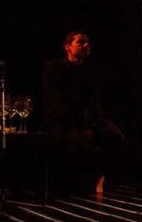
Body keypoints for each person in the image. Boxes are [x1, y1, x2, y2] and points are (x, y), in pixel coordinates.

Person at [42, 31, 124, 195]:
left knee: (115, 136)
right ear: (67, 47)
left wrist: (89, 122)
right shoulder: (55, 67)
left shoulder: (92, 70)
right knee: (63, 139)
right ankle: (60, 183)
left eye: (87, 43)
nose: (86, 45)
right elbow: (54, 99)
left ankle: (100, 177)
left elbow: (94, 99)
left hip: (88, 118)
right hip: (63, 117)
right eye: (80, 42)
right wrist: (73, 121)